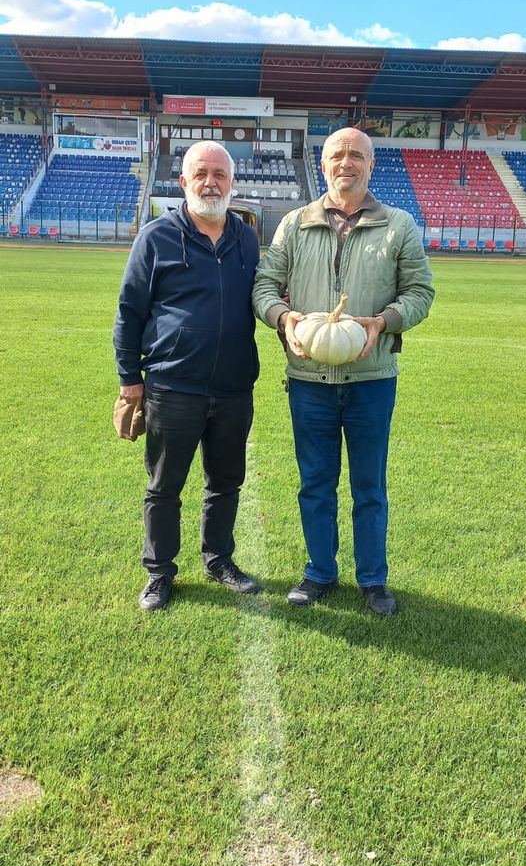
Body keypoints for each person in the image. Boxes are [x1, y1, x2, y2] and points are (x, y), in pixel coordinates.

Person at [252, 127, 434, 615]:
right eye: (337, 154)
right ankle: (319, 573)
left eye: (356, 154)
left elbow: (420, 293)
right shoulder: (294, 224)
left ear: (371, 165)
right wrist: (284, 318)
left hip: (372, 380)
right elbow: (264, 287)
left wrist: (382, 322)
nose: (346, 162)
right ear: (324, 163)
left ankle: (373, 580)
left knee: (369, 486)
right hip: (309, 382)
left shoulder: (399, 226)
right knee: (315, 482)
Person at [113, 141, 261, 610]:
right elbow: (128, 312)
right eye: (201, 173)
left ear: (232, 183)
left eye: (219, 174)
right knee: (164, 486)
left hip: (234, 388)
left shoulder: (248, 239)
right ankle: (159, 572)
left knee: (226, 481)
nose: (210, 182)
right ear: (183, 182)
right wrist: (129, 380)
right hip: (172, 386)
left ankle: (218, 559)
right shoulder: (156, 236)